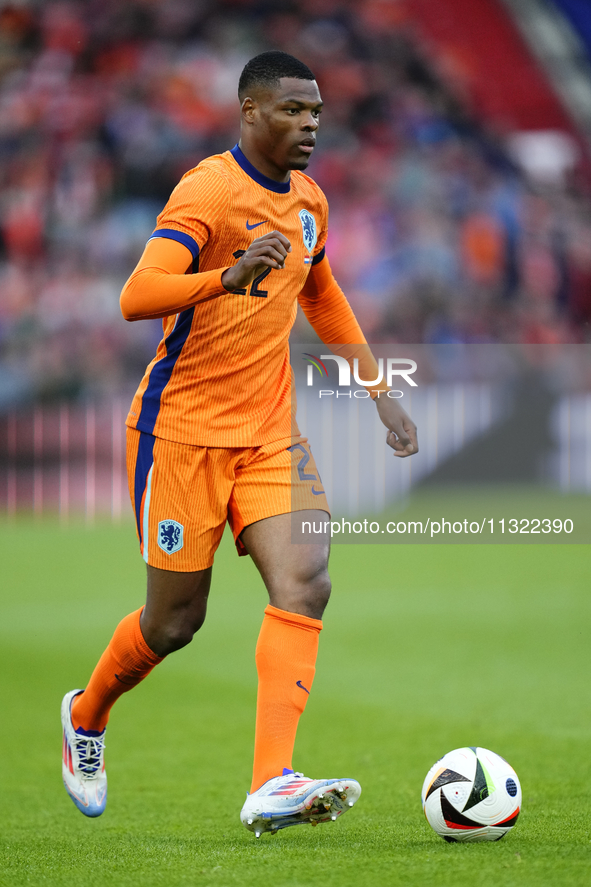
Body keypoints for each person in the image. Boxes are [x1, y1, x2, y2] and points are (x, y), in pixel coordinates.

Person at [61, 51, 418, 838]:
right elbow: (136, 296)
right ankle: (86, 715)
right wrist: (222, 277)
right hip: (179, 436)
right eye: (293, 110)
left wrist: (380, 393)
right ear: (249, 112)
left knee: (306, 581)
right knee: (172, 625)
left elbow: (322, 295)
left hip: (267, 435)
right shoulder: (207, 191)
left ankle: (271, 780)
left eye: (317, 112)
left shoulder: (309, 204)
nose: (310, 125)